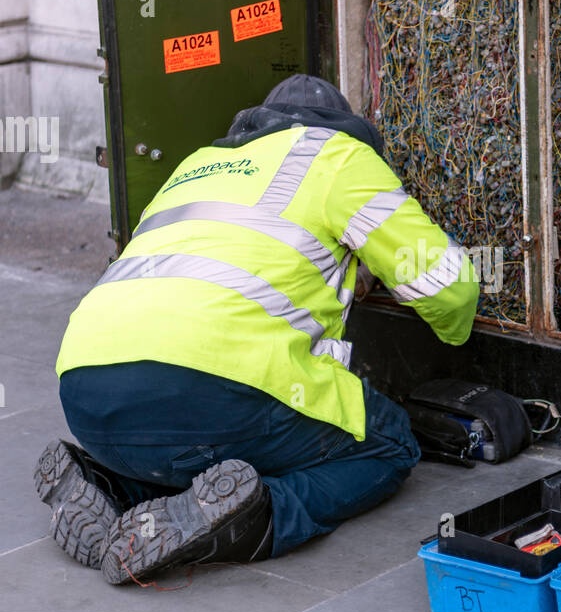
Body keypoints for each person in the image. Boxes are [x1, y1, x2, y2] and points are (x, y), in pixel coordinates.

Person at [35, 75, 479, 585]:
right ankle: (254, 519)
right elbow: (450, 287)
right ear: (348, 131)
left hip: (86, 391)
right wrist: (457, 334)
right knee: (388, 441)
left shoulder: (196, 165)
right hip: (211, 386)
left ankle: (110, 488)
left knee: (193, 434)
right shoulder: (338, 156)